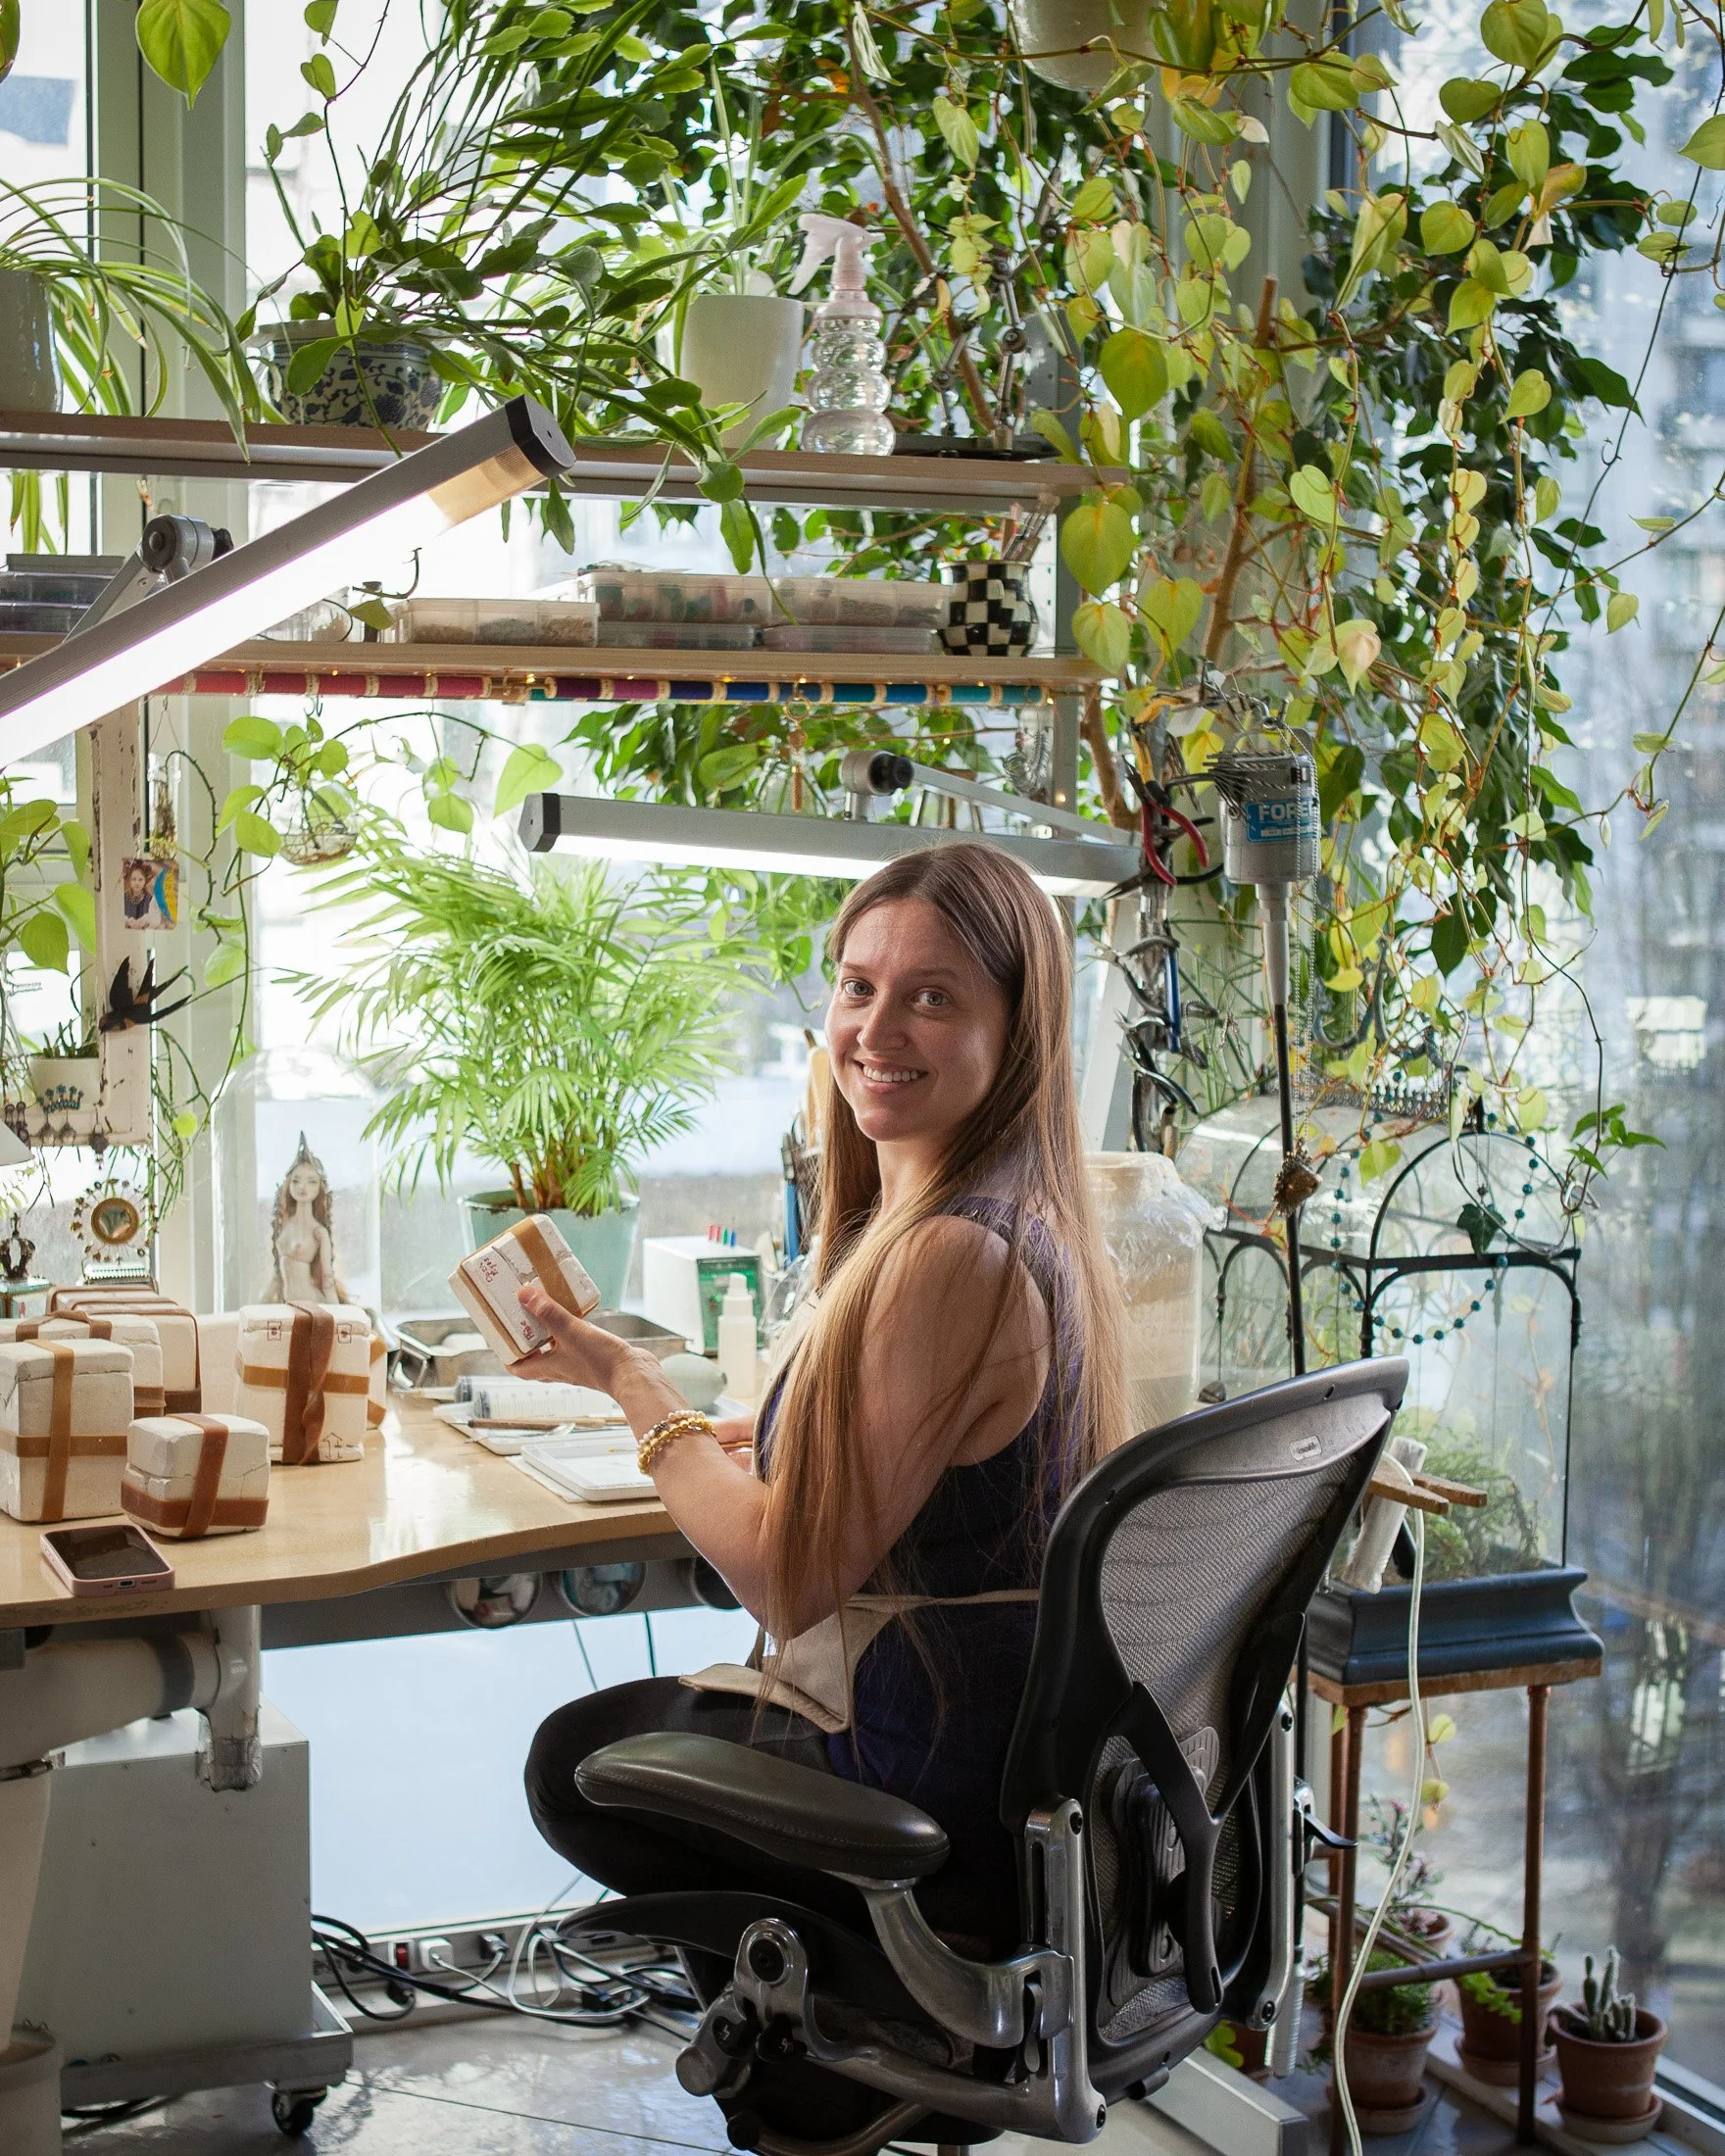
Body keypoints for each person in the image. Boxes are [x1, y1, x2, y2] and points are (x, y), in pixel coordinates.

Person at [518, 844, 1126, 1954]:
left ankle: (832, 2028)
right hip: (975, 1755)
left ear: (1017, 1028)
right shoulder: (1007, 1216)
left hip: (921, 1787)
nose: (874, 1032)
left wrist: (633, 1385)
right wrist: (788, 1433)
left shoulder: (951, 1254)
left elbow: (785, 1581)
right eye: (857, 987)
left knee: (573, 1762)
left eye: (930, 998)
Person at [267, 1132, 349, 1305]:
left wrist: (338, 1318)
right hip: (288, 1305)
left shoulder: (318, 1232)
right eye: (296, 1181)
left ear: (320, 1187)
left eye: (312, 1181)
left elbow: (328, 1282)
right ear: (289, 1184)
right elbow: (277, 1278)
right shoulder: (284, 1223)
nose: (302, 1187)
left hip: (311, 1305)